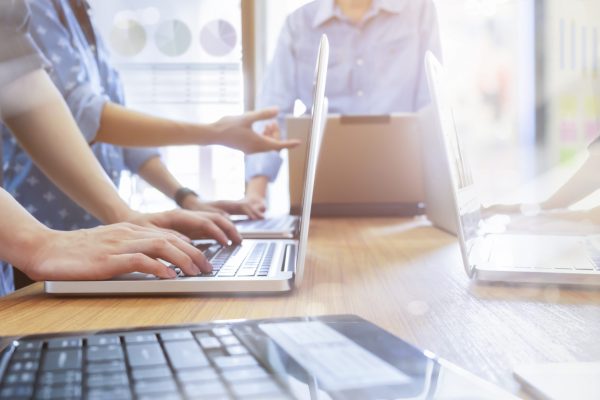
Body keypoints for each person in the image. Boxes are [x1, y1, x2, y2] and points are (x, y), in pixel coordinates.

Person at [2, 0, 297, 234]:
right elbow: (85, 115)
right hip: (43, 232)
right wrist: (213, 132)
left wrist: (186, 198)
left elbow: (122, 137)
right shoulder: (35, 7)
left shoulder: (80, 12)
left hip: (97, 232)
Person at [0, 0, 219, 296]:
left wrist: (126, 214)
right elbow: (80, 109)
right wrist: (35, 242)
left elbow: (20, 82)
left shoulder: (81, 19)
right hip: (37, 235)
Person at [245, 0, 442, 210]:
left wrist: (441, 196)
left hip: (405, 191)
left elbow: (430, 104)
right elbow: (273, 111)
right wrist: (256, 192)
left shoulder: (418, 10)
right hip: (320, 195)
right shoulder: (299, 24)